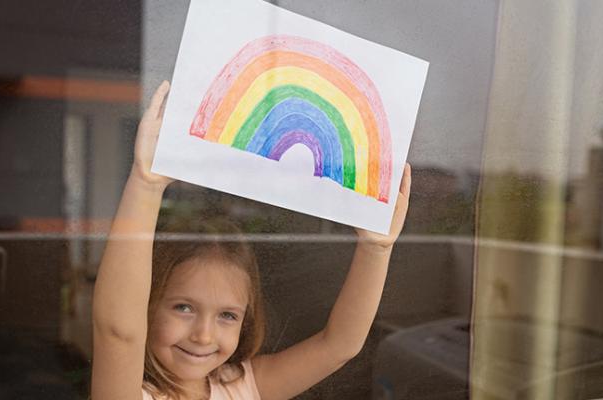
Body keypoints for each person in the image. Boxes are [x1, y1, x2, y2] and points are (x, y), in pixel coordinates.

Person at [90, 81, 412, 400]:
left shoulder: (242, 386)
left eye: (227, 315)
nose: (203, 335)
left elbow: (339, 345)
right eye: (184, 307)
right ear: (148, 305)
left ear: (246, 320)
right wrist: (145, 185)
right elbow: (119, 334)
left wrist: (376, 250)